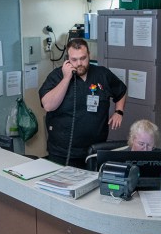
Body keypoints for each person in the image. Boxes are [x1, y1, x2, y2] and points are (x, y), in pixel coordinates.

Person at [40, 38, 127, 168]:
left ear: (89, 55)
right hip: (63, 152)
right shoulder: (56, 76)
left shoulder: (102, 74)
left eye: (83, 58)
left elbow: (121, 91)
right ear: (67, 60)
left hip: (94, 150)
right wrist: (66, 78)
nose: (79, 63)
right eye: (74, 60)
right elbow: (48, 105)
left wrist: (119, 112)